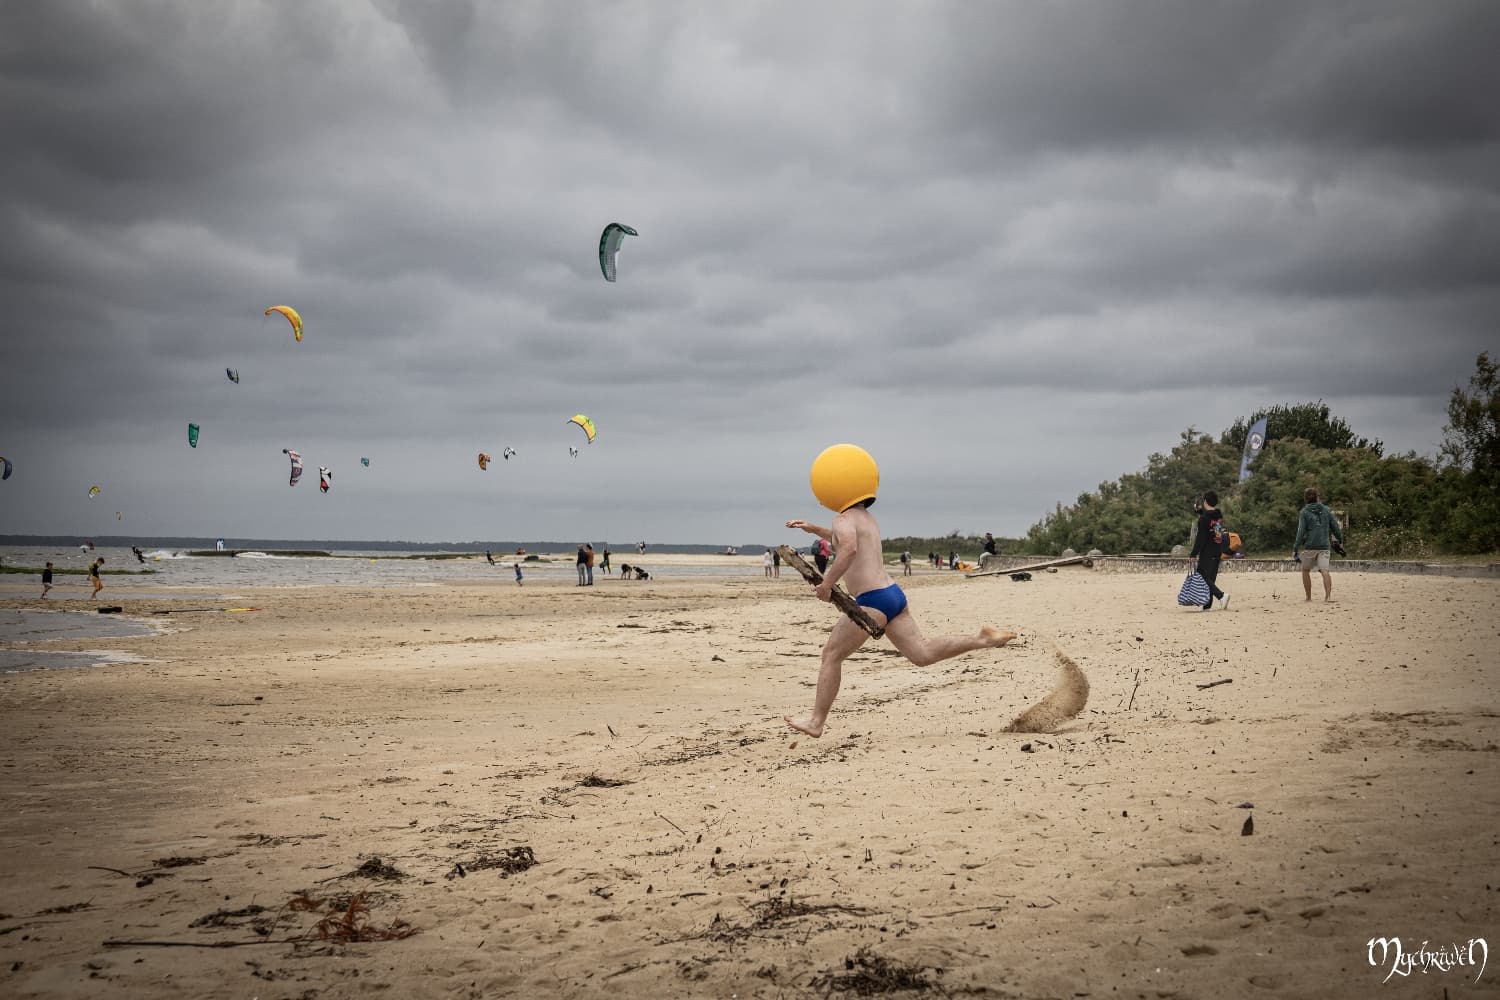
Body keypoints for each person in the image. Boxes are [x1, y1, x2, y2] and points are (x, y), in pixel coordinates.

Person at [783, 444, 1017, 738]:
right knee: (922, 654)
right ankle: (981, 640)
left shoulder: (842, 520)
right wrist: (815, 530)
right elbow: (848, 539)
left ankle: (816, 722)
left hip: (872, 601)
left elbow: (849, 549)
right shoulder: (864, 518)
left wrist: (827, 585)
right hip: (892, 595)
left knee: (831, 655)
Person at [1294, 486, 1343, 603]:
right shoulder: (1327, 510)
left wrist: (1295, 547)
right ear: (1317, 497)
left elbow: (1300, 531)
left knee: (1305, 570)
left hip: (1310, 546)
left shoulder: (1304, 512)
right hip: (1324, 546)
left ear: (1305, 499)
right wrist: (1340, 541)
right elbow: (1335, 527)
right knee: (1325, 570)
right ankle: (1328, 597)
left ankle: (1308, 597)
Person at [1188, 490, 1229, 610]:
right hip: (1218, 549)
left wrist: (1193, 554)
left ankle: (1221, 596)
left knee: (1201, 574)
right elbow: (1210, 521)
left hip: (1208, 551)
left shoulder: (1204, 519)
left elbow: (1201, 538)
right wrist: (1199, 511)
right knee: (1210, 578)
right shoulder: (1219, 515)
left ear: (1205, 501)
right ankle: (1207, 605)